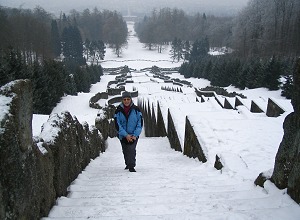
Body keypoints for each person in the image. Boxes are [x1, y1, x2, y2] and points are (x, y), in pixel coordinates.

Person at [114, 91, 143, 172]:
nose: (126, 101)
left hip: (133, 135)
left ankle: (131, 166)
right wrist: (126, 135)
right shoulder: (118, 110)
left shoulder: (137, 110)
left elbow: (139, 123)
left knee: (131, 149)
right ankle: (127, 163)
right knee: (125, 150)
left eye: (128, 99)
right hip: (122, 135)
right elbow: (117, 124)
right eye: (125, 99)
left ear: (131, 99)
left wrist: (135, 135)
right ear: (122, 100)